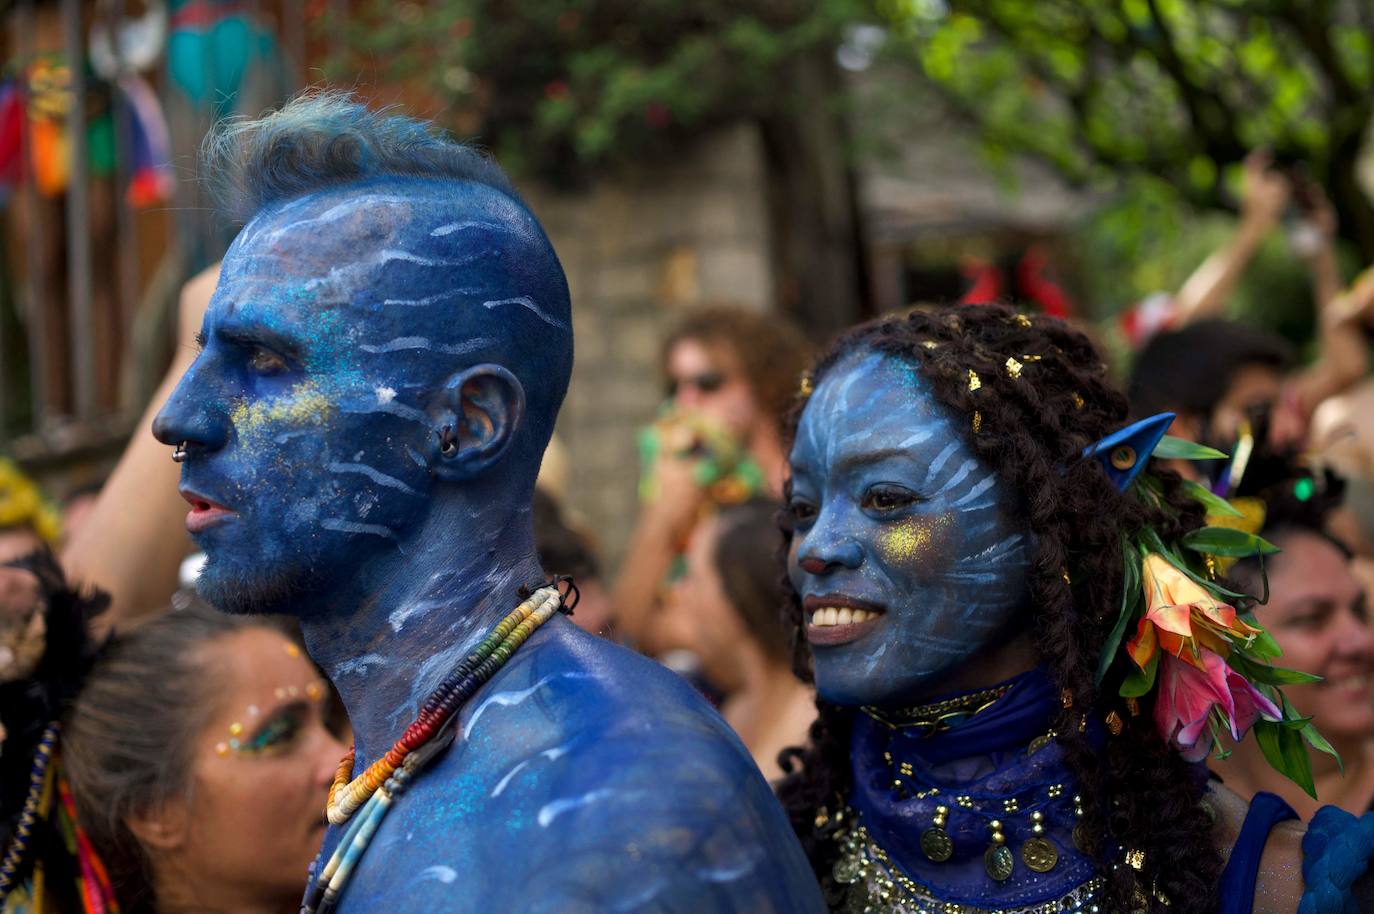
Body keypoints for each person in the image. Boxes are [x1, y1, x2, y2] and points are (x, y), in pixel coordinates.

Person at [150, 92, 823, 912]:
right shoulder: (414, 753)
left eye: (264, 359)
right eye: (205, 356)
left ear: (467, 424)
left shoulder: (610, 822)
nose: (178, 418)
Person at [774, 303, 1373, 914]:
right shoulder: (758, 850)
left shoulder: (1278, 884)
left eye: (885, 497)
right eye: (802, 509)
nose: (815, 548)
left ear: (1048, 517)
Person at [614, 306, 813, 652]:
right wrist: (661, 517)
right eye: (674, 386)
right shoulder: (694, 484)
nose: (685, 401)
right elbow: (629, 630)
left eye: (708, 383)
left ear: (763, 384)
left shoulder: (812, 459)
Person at [1216, 482, 1374, 818]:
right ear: (1226, 645)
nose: (1362, 640)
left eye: (1360, 611)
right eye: (1312, 619)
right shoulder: (1178, 814)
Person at [666, 499, 815, 781]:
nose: (677, 592)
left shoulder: (809, 734)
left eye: (692, 577)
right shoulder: (738, 709)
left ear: (736, 603)